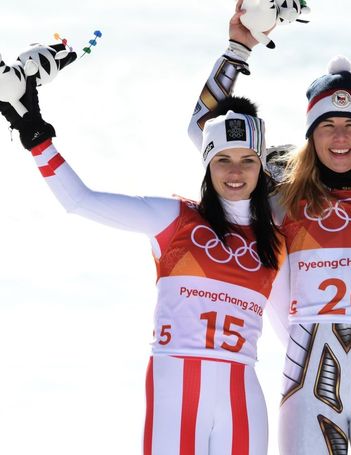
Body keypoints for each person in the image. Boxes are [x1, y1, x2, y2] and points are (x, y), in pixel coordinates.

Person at [187, 5, 351, 453]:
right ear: (310, 133)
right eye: (327, 125)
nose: (340, 137)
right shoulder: (281, 187)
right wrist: (237, 50)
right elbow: (205, 132)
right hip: (307, 379)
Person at [0, 60, 284, 454]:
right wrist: (35, 135)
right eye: (223, 159)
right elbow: (80, 201)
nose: (235, 172)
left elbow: (296, 326)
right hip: (177, 383)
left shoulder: (275, 241)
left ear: (260, 167)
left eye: (247, 160)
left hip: (243, 391)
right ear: (207, 163)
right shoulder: (175, 220)